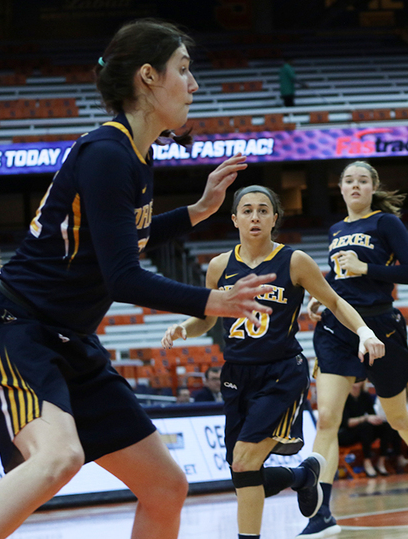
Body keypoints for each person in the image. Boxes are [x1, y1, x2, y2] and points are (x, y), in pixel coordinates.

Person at [0, 20, 278, 539]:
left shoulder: (136, 155)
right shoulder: (107, 153)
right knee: (58, 458)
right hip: (16, 329)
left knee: (165, 486)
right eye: (183, 70)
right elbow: (124, 277)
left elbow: (127, 238)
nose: (194, 84)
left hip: (69, 340)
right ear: (148, 76)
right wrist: (213, 301)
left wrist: (197, 211)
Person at [161, 185, 384, 539]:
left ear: (274, 218)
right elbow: (207, 318)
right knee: (242, 474)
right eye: (247, 210)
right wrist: (184, 328)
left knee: (245, 461)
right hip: (235, 376)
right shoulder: (219, 266)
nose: (255, 217)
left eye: (263, 210)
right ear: (234, 219)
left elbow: (335, 301)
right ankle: (302, 476)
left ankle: (295, 485)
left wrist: (364, 332)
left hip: (281, 372)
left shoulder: (294, 261)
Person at [300, 160, 408, 538]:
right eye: (348, 180)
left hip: (381, 327)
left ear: (373, 187)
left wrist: (365, 268)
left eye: (362, 180)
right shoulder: (335, 229)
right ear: (340, 188)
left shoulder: (386, 223)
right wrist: (321, 297)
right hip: (337, 328)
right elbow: (339, 277)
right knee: (327, 418)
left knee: (398, 418)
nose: (355, 186)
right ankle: (321, 512)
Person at [338, 381, 396, 477]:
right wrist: (365, 418)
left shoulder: (365, 395)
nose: (356, 380)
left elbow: (372, 414)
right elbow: (347, 423)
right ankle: (367, 461)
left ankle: (381, 461)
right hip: (345, 433)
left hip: (364, 432)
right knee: (365, 426)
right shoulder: (343, 397)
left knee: (386, 426)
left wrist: (379, 419)